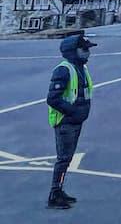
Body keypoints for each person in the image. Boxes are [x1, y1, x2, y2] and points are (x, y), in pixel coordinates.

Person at [45, 32, 95, 210]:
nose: (88, 53)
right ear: (74, 51)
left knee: (67, 159)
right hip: (66, 122)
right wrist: (72, 112)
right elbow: (53, 98)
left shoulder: (81, 68)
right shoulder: (64, 69)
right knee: (63, 159)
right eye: (84, 49)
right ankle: (54, 194)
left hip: (76, 121)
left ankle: (59, 190)